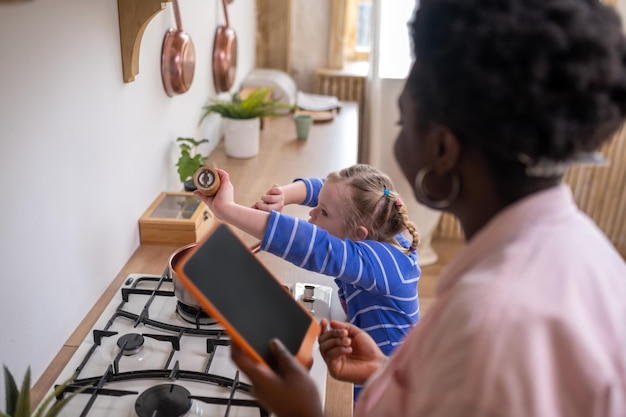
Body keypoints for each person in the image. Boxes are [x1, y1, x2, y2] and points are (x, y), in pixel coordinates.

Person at [228, 0, 626, 416]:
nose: (399, 137)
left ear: (442, 148)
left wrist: (305, 411)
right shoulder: (591, 255)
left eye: (402, 121)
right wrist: (385, 371)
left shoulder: (491, 318)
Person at [194, 163, 421, 398]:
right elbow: (329, 190)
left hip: (388, 385)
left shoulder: (385, 265)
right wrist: (284, 194)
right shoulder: (375, 227)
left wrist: (228, 209)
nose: (312, 214)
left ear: (358, 234)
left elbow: (314, 247)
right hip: (368, 357)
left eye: (323, 212)